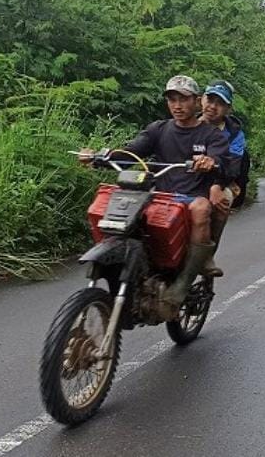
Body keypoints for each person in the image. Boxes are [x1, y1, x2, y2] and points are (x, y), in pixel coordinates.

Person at [83, 75, 229, 320]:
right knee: (117, 202)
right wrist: (100, 156)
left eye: (183, 99)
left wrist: (209, 162)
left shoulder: (210, 136)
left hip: (189, 198)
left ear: (195, 101)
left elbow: (221, 160)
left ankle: (183, 283)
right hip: (157, 196)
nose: (177, 105)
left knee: (202, 207)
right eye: (172, 99)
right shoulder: (158, 129)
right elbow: (130, 152)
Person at [199, 80, 247, 275]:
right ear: (201, 99)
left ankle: (208, 253)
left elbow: (233, 166)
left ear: (228, 108)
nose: (212, 106)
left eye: (219, 103)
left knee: (222, 202)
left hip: (225, 180)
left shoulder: (234, 134)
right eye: (210, 99)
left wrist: (217, 184)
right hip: (189, 178)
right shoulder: (189, 124)